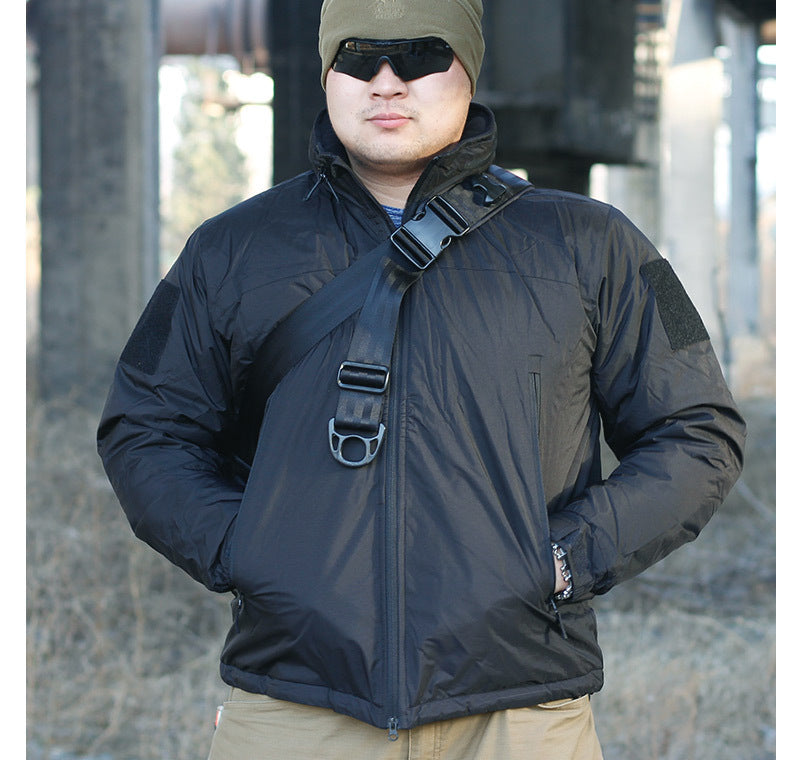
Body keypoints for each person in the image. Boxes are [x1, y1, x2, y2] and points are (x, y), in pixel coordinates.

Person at [97, 0, 746, 760]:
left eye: (417, 55)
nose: (385, 82)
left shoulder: (597, 244)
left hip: (520, 711)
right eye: (358, 56)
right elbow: (144, 427)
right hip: (295, 703)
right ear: (327, 72)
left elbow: (700, 430)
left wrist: (568, 558)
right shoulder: (228, 250)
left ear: (469, 68)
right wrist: (246, 548)